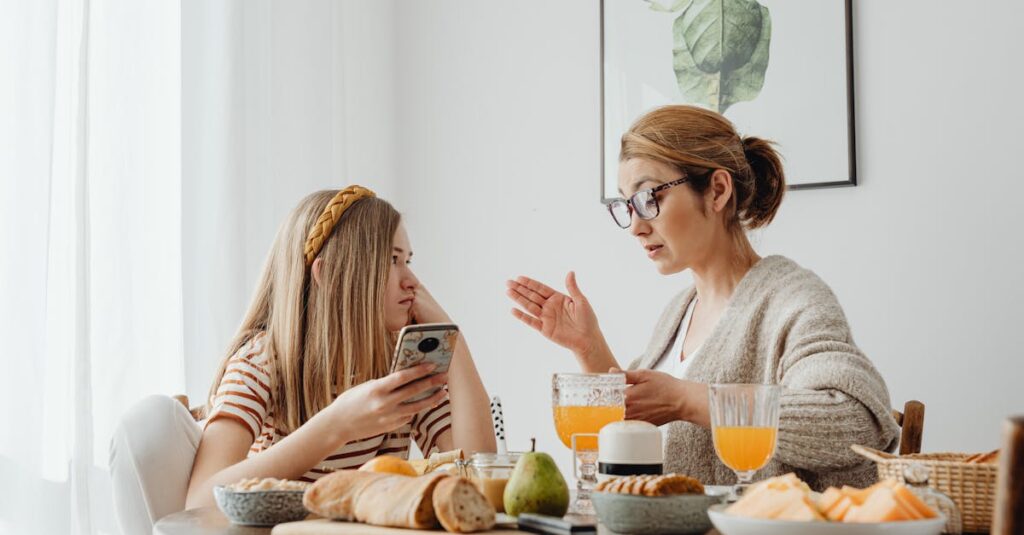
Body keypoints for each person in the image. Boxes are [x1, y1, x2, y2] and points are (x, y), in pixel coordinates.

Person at [506, 106, 899, 490]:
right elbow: (634, 435)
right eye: (628, 205)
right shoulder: (679, 312)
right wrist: (589, 346)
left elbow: (857, 421)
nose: (636, 227)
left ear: (717, 190)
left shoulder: (792, 300)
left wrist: (688, 401)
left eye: (648, 197)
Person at [184, 186, 495, 507]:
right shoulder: (261, 361)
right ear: (330, 273)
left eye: (408, 260)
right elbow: (200, 502)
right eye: (393, 260)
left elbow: (479, 476)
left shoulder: (399, 365)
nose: (412, 281)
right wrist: (338, 424)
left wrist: (452, 339)